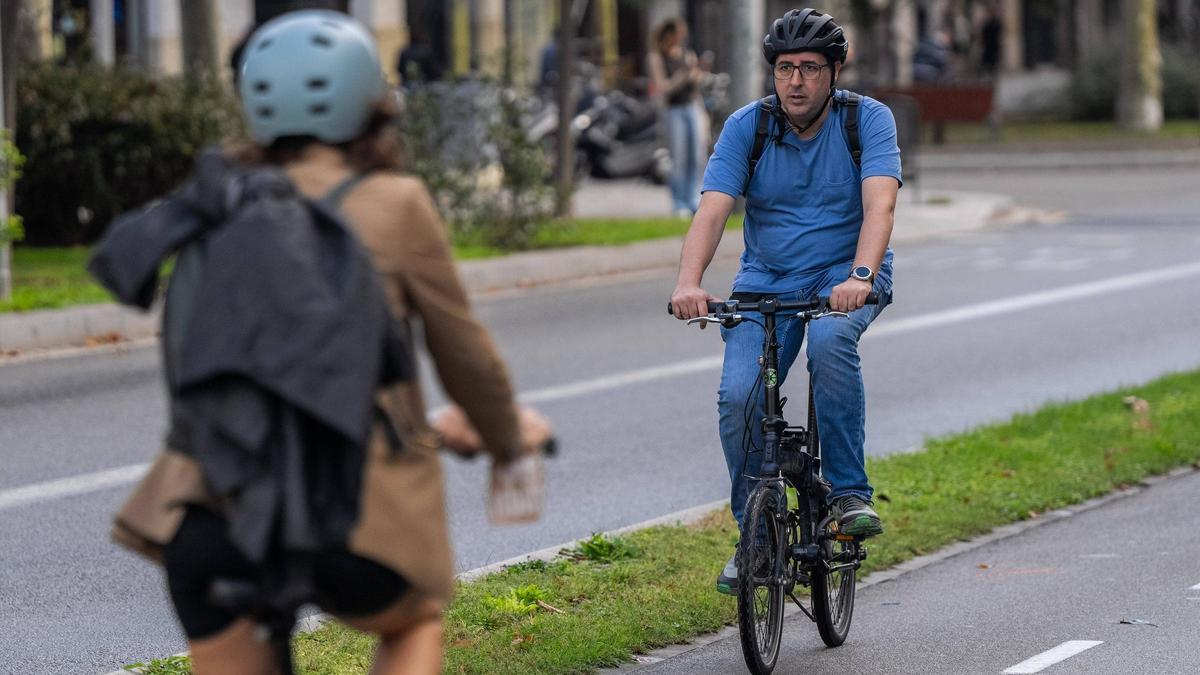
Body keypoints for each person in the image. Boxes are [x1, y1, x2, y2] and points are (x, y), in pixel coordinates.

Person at [98, 10, 549, 674]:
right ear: (373, 104)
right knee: (415, 615)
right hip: (352, 515)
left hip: (212, 509)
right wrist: (507, 436)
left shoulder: (217, 202)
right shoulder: (397, 203)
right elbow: (466, 358)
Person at [668, 8, 900, 596]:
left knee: (828, 343)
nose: (796, 81)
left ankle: (848, 495)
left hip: (842, 276)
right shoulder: (749, 125)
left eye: (811, 69)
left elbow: (880, 208)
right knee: (739, 395)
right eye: (785, 68)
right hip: (766, 280)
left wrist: (862, 274)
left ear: (835, 71)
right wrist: (688, 284)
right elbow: (713, 210)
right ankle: (755, 533)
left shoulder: (866, 121)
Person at [646, 17, 708, 217]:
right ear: (668, 34)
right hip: (673, 110)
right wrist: (682, 77)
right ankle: (679, 202)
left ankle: (694, 200)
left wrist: (698, 74)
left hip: (692, 107)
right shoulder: (656, 57)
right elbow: (662, 88)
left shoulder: (686, 54)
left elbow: (696, 84)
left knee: (697, 156)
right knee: (678, 157)